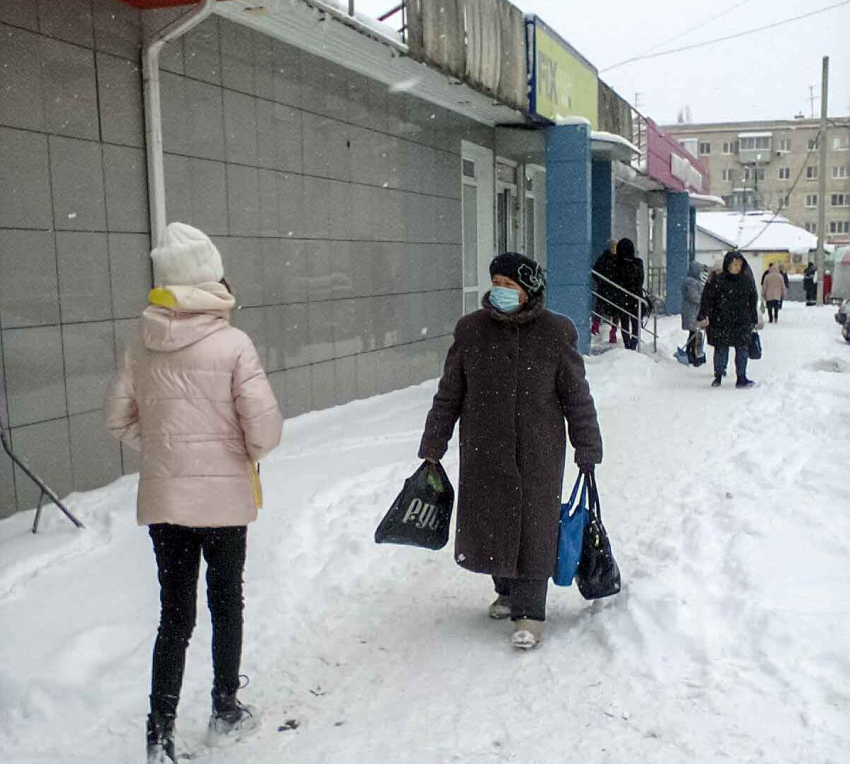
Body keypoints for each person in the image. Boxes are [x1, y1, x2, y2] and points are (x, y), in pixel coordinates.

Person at [104, 223, 284, 763]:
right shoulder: (233, 344)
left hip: (165, 503)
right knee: (226, 603)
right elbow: (266, 431)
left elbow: (118, 419)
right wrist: (231, 454)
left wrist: (163, 452)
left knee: (174, 618)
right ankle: (225, 707)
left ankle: (158, 732)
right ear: (210, 279)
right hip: (225, 501)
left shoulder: (141, 341)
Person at [418, 252, 603, 650]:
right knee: (492, 524)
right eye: (496, 283)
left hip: (539, 451)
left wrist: (587, 446)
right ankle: (505, 590)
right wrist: (434, 442)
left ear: (530, 289)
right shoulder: (471, 331)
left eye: (510, 285)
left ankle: (531, 614)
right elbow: (449, 393)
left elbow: (577, 398)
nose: (500, 291)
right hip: (485, 448)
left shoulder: (556, 332)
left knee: (534, 528)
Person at [696, 251, 760, 389]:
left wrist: (753, 318)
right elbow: (707, 299)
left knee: (742, 350)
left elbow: (752, 300)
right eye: (734, 264)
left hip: (741, 321)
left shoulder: (746, 281)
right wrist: (702, 314)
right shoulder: (718, 281)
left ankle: (741, 377)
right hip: (721, 321)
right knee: (721, 349)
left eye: (739, 264)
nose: (736, 267)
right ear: (727, 265)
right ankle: (718, 375)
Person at [614, 238, 645, 350]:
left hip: (623, 296)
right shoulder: (638, 263)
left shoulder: (617, 264)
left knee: (625, 321)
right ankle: (633, 342)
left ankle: (628, 344)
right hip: (636, 296)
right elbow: (641, 280)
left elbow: (616, 280)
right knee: (636, 321)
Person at [591, 239, 619, 342]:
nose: (614, 249)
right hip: (605, 289)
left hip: (615, 290)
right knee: (600, 308)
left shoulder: (619, 260)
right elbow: (595, 272)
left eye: (616, 247)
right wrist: (602, 281)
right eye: (613, 247)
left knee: (616, 312)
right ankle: (595, 327)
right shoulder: (603, 259)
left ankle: (613, 332)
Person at [680, 260, 706, 364]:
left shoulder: (692, 281)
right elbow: (693, 296)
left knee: (694, 333)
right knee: (693, 333)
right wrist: (703, 299)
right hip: (691, 311)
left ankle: (692, 353)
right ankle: (691, 354)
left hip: (693, 310)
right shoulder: (691, 282)